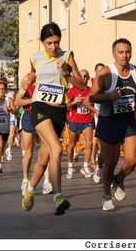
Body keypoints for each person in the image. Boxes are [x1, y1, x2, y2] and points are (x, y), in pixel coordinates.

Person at [21, 22, 84, 215]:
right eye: (49, 43)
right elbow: (32, 75)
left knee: (43, 158)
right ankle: (58, 196)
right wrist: (27, 78)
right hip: (40, 109)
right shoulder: (35, 58)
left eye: (56, 42)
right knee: (57, 148)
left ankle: (30, 190)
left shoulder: (67, 56)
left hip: (59, 111)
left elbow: (81, 85)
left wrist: (66, 73)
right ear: (42, 42)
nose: (53, 46)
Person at [86, 38, 136, 211]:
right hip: (109, 121)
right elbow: (91, 97)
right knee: (110, 163)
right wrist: (109, 97)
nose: (125, 55)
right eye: (121, 52)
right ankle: (106, 195)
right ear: (114, 54)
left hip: (128, 121)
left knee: (133, 159)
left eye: (128, 51)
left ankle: (119, 179)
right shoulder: (105, 73)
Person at [15, 74, 53, 196]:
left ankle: (47, 181)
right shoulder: (27, 85)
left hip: (43, 117)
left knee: (46, 151)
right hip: (29, 117)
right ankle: (25, 179)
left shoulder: (47, 85)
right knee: (28, 152)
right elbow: (17, 102)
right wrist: (33, 100)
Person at [66, 69, 98, 179]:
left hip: (87, 121)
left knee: (89, 143)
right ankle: (70, 165)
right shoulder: (71, 91)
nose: (83, 78)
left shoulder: (91, 91)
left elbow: (96, 103)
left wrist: (95, 111)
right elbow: (65, 106)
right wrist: (74, 101)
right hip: (74, 121)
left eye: (86, 76)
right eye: (81, 76)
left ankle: (85, 165)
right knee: (71, 145)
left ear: (88, 78)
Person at [89, 63, 105, 184]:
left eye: (102, 70)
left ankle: (100, 166)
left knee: (103, 144)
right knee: (94, 142)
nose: (100, 73)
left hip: (106, 117)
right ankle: (93, 162)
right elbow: (87, 101)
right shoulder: (92, 83)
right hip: (95, 116)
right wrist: (95, 110)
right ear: (95, 72)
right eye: (98, 71)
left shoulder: (107, 83)